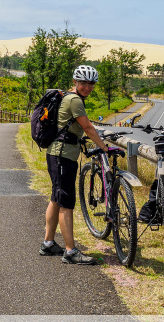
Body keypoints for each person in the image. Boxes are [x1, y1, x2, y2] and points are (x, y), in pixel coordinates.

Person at [39, 65, 109, 264]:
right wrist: (104, 148)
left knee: (56, 198)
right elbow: (88, 127)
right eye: (83, 83)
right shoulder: (74, 100)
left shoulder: (68, 97)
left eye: (91, 83)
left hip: (58, 154)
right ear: (75, 82)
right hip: (63, 156)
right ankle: (70, 252)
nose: (87, 87)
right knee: (66, 203)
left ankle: (48, 243)